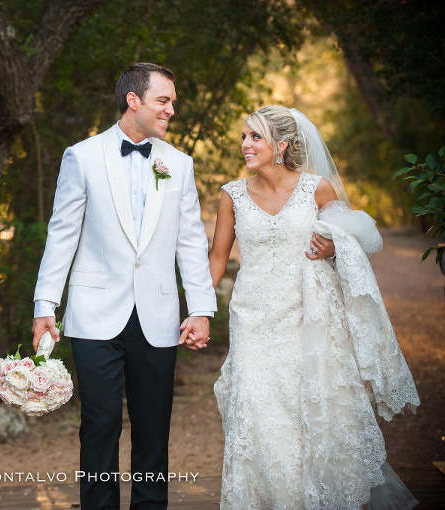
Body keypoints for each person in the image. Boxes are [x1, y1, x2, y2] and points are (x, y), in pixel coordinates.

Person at [209, 105, 421, 509]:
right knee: (255, 410)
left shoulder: (317, 189)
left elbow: (359, 241)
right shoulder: (231, 195)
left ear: (282, 144)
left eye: (255, 137)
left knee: (309, 407)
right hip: (252, 318)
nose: (245, 145)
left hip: (309, 317)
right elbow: (218, 257)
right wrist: (200, 311)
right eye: (244, 136)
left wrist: (334, 247)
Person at [32, 62, 217, 509]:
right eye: (163, 100)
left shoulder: (179, 163)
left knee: (154, 428)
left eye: (172, 102)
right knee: (100, 424)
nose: (171, 109)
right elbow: (62, 234)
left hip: (157, 315)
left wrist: (200, 309)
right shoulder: (82, 156)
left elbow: (191, 242)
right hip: (94, 315)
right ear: (133, 100)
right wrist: (45, 305)